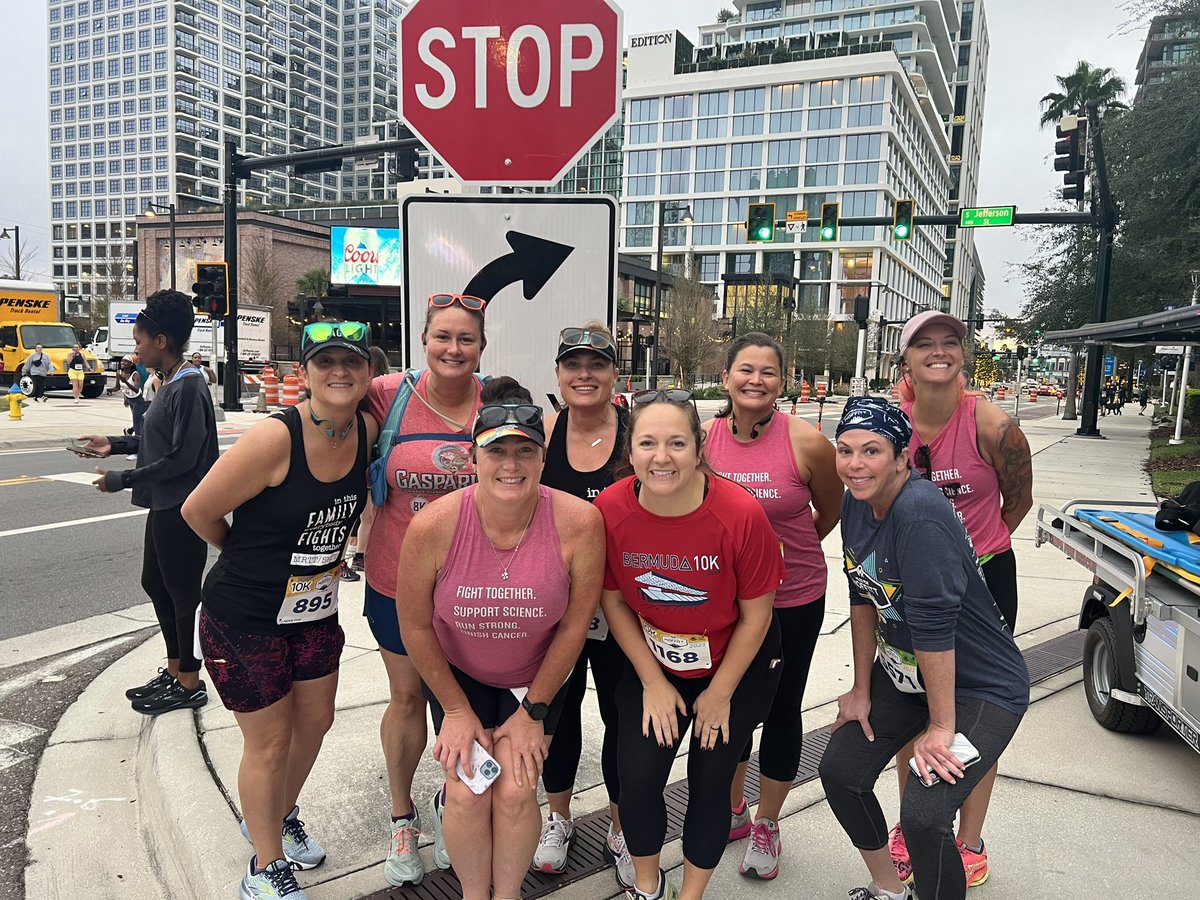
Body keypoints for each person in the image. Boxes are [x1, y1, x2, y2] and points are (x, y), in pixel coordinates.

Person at [181, 321, 376, 900]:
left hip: (313, 612)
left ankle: (276, 813)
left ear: (368, 373)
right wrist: (246, 557)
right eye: (325, 362)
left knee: (315, 723)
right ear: (305, 374)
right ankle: (264, 866)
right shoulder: (274, 440)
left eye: (352, 362)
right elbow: (198, 511)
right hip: (244, 618)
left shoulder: (366, 430)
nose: (339, 372)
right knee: (267, 742)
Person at [397, 377, 604, 900]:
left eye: (525, 452)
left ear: (541, 459)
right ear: (473, 458)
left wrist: (534, 711)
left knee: (514, 791)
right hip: (460, 677)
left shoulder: (580, 522)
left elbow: (576, 625)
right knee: (467, 792)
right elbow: (416, 626)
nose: (511, 465)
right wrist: (456, 710)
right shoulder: (434, 527)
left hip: (536, 679)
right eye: (497, 451)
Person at [819, 397, 1030, 900]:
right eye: (845, 450)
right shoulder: (856, 497)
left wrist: (941, 727)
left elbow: (935, 627)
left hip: (982, 688)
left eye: (871, 451)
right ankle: (890, 889)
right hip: (907, 676)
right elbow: (861, 590)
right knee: (841, 772)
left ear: (901, 457)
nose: (854, 463)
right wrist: (861, 688)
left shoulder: (919, 514)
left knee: (924, 815)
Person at [595, 389, 785, 900]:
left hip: (738, 662)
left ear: (699, 446)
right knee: (635, 776)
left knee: (710, 778)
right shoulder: (610, 509)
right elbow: (614, 602)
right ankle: (646, 885)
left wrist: (720, 693)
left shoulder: (740, 513)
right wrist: (653, 682)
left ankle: (691, 894)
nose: (662, 457)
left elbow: (758, 615)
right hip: (656, 659)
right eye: (648, 443)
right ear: (628, 450)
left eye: (677, 443)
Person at [892, 310, 1033, 886]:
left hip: (984, 585)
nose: (939, 351)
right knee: (912, 710)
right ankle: (911, 827)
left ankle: (969, 838)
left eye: (950, 342)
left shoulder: (993, 426)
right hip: (908, 588)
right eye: (924, 344)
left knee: (979, 715)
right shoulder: (890, 421)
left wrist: (968, 558)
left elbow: (1018, 501)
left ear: (964, 355)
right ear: (906, 360)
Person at [702, 333, 842, 880]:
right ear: (726, 377)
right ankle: (733, 809)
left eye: (767, 372)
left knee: (782, 708)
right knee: (730, 707)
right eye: (745, 369)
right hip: (723, 603)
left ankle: (768, 821)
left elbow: (827, 513)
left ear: (783, 382)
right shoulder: (704, 439)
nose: (755, 380)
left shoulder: (807, 443)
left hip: (793, 597)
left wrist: (777, 557)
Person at [363, 292, 487, 886]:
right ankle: (401, 815)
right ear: (424, 341)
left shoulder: (499, 401)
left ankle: (450, 803)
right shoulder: (387, 396)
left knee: (459, 707)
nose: (453, 348)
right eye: (443, 336)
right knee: (408, 699)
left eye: (466, 339)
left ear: (481, 348)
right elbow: (325, 430)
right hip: (394, 582)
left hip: (473, 591)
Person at [73, 290, 218, 715]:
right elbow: (158, 441)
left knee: (182, 593)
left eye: (139, 340)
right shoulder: (172, 381)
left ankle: (190, 680)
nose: (134, 348)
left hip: (182, 507)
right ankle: (175, 670)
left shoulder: (189, 386)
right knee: (157, 585)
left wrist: (122, 479)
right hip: (164, 503)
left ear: (161, 340)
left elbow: (184, 458)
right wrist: (114, 444)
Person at [530, 323, 632, 885]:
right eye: (574, 365)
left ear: (615, 373)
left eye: (597, 364)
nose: (585, 374)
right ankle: (559, 818)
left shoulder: (638, 432)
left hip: (626, 607)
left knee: (623, 718)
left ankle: (620, 827)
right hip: (559, 607)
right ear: (559, 374)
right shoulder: (543, 434)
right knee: (558, 716)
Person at [116, 355, 146, 450]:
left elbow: (136, 390)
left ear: (131, 364)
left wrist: (125, 381)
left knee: (138, 422)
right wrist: (110, 390)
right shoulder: (119, 373)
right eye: (122, 361)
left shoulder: (135, 374)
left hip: (138, 400)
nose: (123, 363)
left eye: (126, 361)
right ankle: (130, 432)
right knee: (138, 421)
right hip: (130, 399)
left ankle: (136, 448)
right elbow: (118, 387)